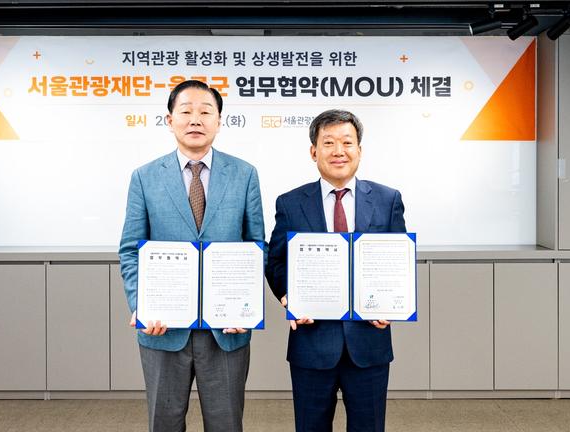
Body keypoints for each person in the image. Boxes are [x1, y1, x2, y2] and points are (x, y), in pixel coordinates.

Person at [119, 80, 265, 432]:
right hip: (163, 329)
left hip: (225, 330)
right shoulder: (145, 177)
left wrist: (246, 306)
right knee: (164, 423)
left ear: (219, 121)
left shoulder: (244, 174)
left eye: (205, 112)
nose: (195, 119)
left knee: (226, 424)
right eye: (186, 111)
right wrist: (142, 305)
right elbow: (130, 250)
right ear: (170, 120)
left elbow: (255, 246)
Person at [265, 109, 406, 432]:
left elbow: (398, 259)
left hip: (368, 342)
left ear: (360, 150)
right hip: (311, 343)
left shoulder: (387, 200)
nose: (338, 151)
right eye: (328, 143)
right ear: (313, 151)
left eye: (347, 142)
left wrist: (392, 303)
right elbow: (276, 260)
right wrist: (287, 296)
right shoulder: (290, 203)